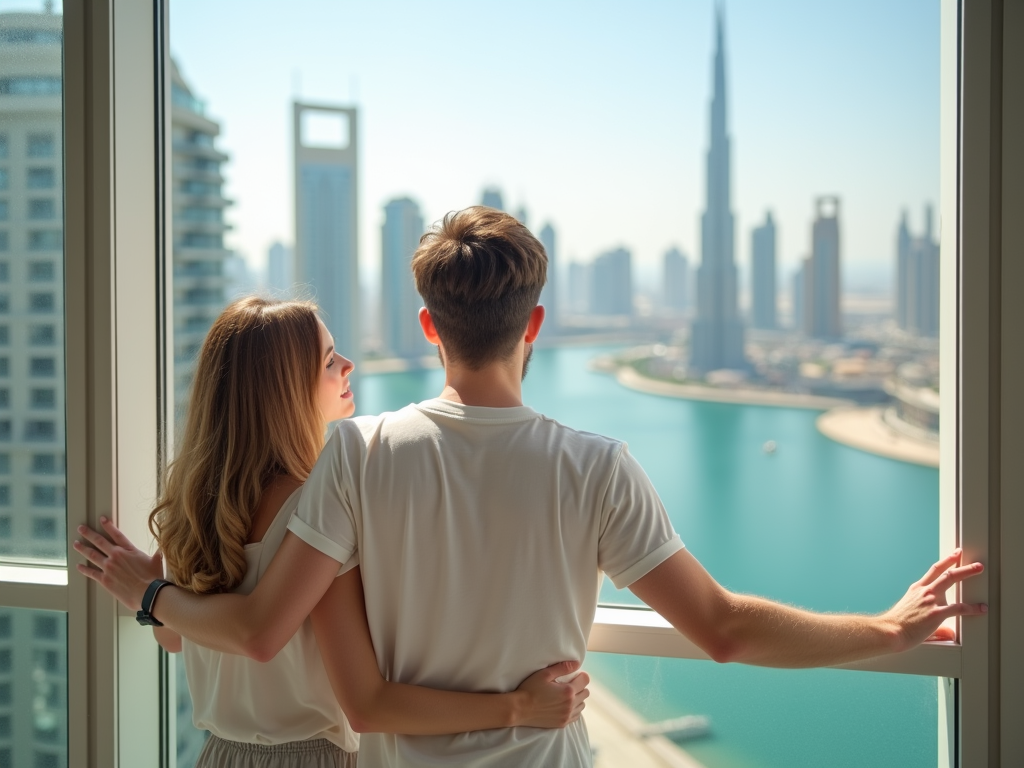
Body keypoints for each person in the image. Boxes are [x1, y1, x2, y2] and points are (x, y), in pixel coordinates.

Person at [77, 208, 986, 768]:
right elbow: (725, 627)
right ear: (537, 323)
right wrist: (888, 627)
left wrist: (154, 591)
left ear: (428, 325)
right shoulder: (598, 467)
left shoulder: (354, 455)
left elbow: (302, 657)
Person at [90, 296, 590, 768]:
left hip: (220, 753)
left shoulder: (194, 503)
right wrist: (520, 707)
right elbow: (305, 663)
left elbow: (180, 641)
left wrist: (149, 591)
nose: (348, 364)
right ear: (283, 388)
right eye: (330, 360)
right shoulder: (318, 506)